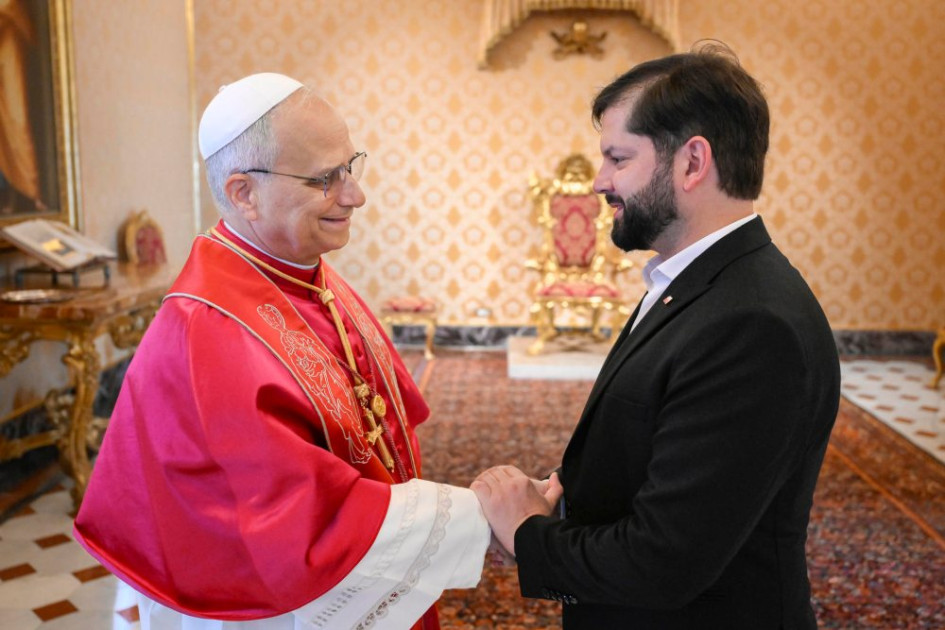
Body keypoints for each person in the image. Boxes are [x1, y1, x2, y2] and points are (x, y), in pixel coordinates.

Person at [74, 73, 493, 630]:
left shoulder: (304, 274)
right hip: (267, 603)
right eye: (324, 178)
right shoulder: (210, 328)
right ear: (245, 192)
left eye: (350, 166)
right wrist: (482, 517)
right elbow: (298, 522)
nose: (354, 194)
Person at [472, 42, 841, 629]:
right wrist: (567, 492)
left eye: (618, 158)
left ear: (692, 163)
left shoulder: (752, 324)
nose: (598, 182)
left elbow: (664, 560)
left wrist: (528, 534)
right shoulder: (697, 280)